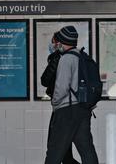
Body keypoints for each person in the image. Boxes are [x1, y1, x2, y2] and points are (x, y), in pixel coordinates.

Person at [44, 26, 99, 164]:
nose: (56, 45)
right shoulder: (81, 56)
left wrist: (55, 104)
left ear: (62, 42)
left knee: (54, 152)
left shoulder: (66, 59)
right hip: (83, 110)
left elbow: (61, 88)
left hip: (67, 112)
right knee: (87, 150)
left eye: (58, 42)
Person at [41, 31, 80, 164]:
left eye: (53, 41)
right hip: (75, 109)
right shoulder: (77, 56)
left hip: (62, 109)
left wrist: (55, 103)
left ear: (59, 43)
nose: (51, 44)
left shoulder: (60, 58)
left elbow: (45, 80)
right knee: (68, 151)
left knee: (54, 149)